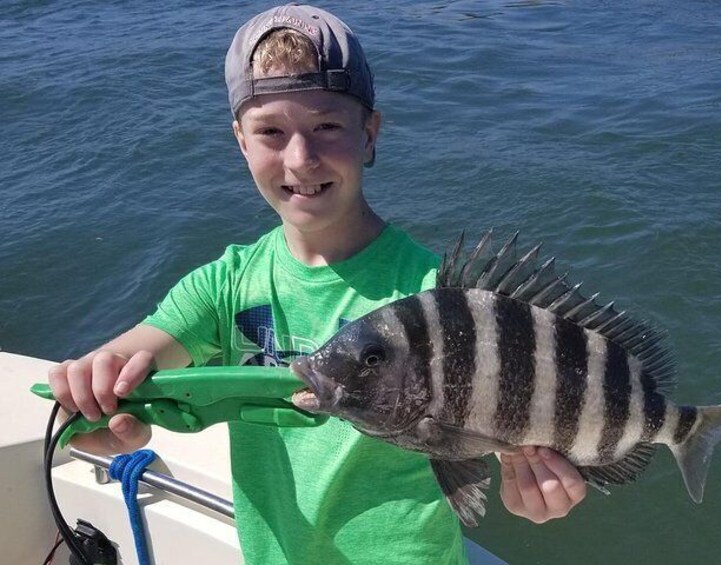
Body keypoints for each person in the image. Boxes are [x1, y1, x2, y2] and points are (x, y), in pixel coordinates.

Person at [47, 4, 586, 563]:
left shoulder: (438, 299)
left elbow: (510, 434)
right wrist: (91, 406)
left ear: (369, 134)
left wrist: (535, 492)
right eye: (271, 132)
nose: (301, 159)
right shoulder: (223, 287)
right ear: (240, 142)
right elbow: (121, 362)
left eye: (327, 126)